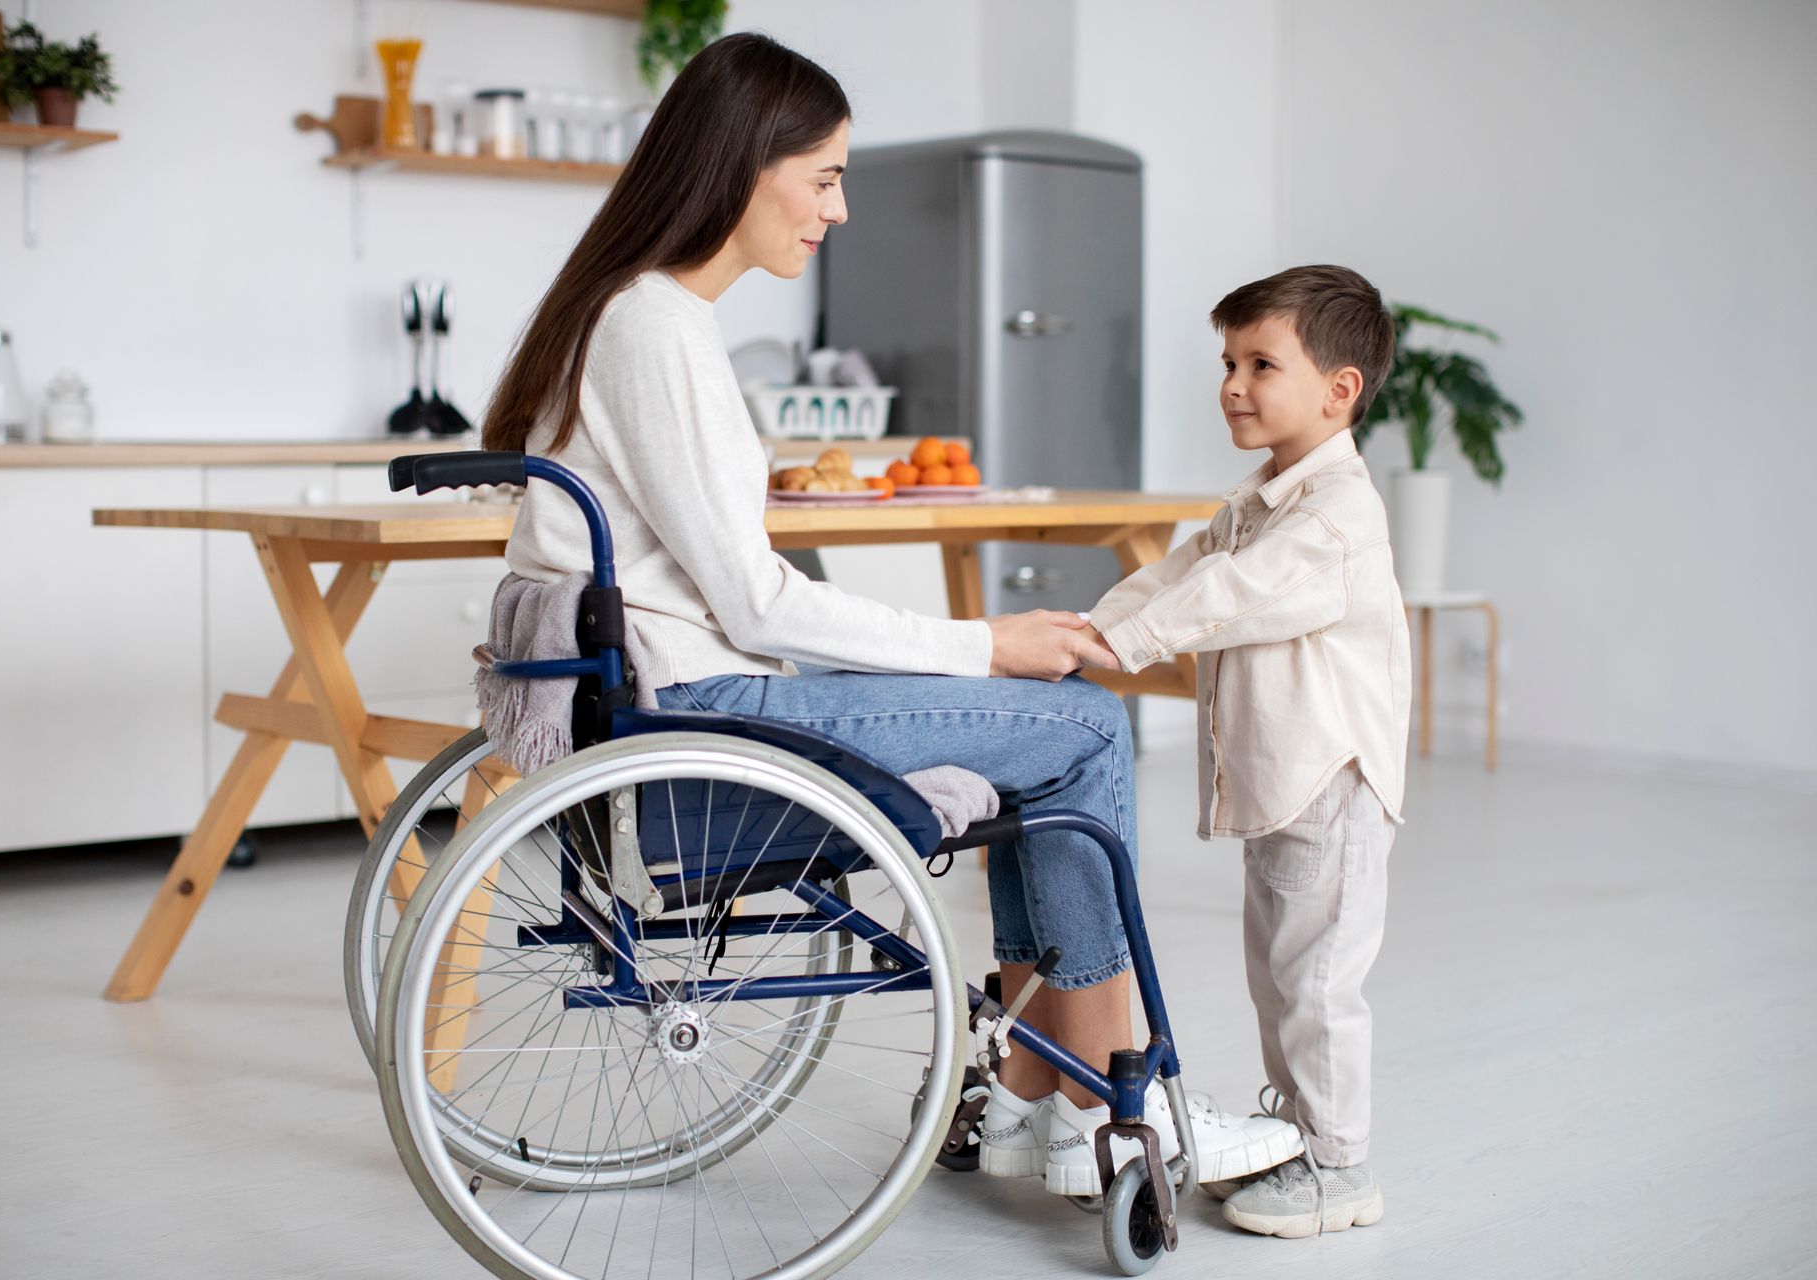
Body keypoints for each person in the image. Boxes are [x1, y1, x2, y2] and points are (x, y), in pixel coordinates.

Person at [479, 31, 1296, 1197]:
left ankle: (1032, 1085)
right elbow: (758, 600)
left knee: (1046, 718)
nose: (841, 210)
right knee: (1083, 725)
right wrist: (985, 644)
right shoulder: (657, 324)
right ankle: (1112, 1091)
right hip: (721, 710)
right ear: (744, 165)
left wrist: (981, 661)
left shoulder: (626, 313)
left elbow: (735, 588)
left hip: (684, 692)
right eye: (824, 176)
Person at [1081, 264, 1411, 1235]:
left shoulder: (1335, 512)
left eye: (1261, 362)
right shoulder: (1259, 496)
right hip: (1283, 787)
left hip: (1333, 784)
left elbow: (1234, 595)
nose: (1233, 382)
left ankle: (1338, 1164)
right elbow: (1180, 571)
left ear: (1337, 388)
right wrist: (1089, 630)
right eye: (1228, 360)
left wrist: (1119, 646)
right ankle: (1297, 1132)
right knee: (1278, 975)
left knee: (1318, 983)